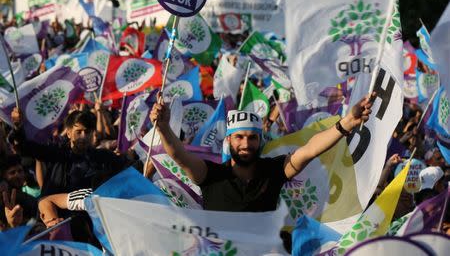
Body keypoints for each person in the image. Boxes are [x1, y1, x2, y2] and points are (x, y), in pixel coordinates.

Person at [150, 92, 375, 212]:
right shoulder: (211, 175)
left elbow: (309, 150)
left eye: (252, 137)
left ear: (260, 140)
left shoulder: (273, 171)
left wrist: (346, 123)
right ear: (229, 140)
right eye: (239, 137)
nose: (246, 144)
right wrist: (163, 128)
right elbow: (180, 156)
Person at [9, 108, 131, 197]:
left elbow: (129, 172)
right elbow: (23, 147)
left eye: (87, 132)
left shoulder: (103, 157)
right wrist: (17, 127)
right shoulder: (55, 154)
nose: (83, 136)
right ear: (68, 133)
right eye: (79, 132)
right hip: (61, 220)